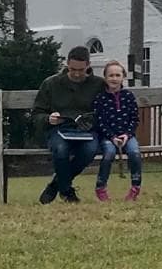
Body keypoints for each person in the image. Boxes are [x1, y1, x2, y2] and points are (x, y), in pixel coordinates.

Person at [33, 45, 105, 204]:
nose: (77, 73)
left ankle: (56, 185)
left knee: (90, 150)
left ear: (88, 66)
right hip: (58, 130)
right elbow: (37, 113)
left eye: (81, 70)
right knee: (60, 149)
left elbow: (108, 108)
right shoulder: (51, 83)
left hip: (87, 131)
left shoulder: (99, 85)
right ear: (67, 64)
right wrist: (48, 119)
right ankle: (67, 191)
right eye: (73, 69)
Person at [92, 60, 143, 202]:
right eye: (110, 75)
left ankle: (135, 186)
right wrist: (112, 136)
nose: (114, 78)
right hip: (108, 136)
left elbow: (135, 119)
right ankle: (100, 187)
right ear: (105, 78)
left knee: (134, 152)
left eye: (117, 75)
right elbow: (100, 122)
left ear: (123, 77)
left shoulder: (128, 97)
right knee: (109, 153)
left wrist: (127, 134)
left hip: (127, 135)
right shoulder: (100, 98)